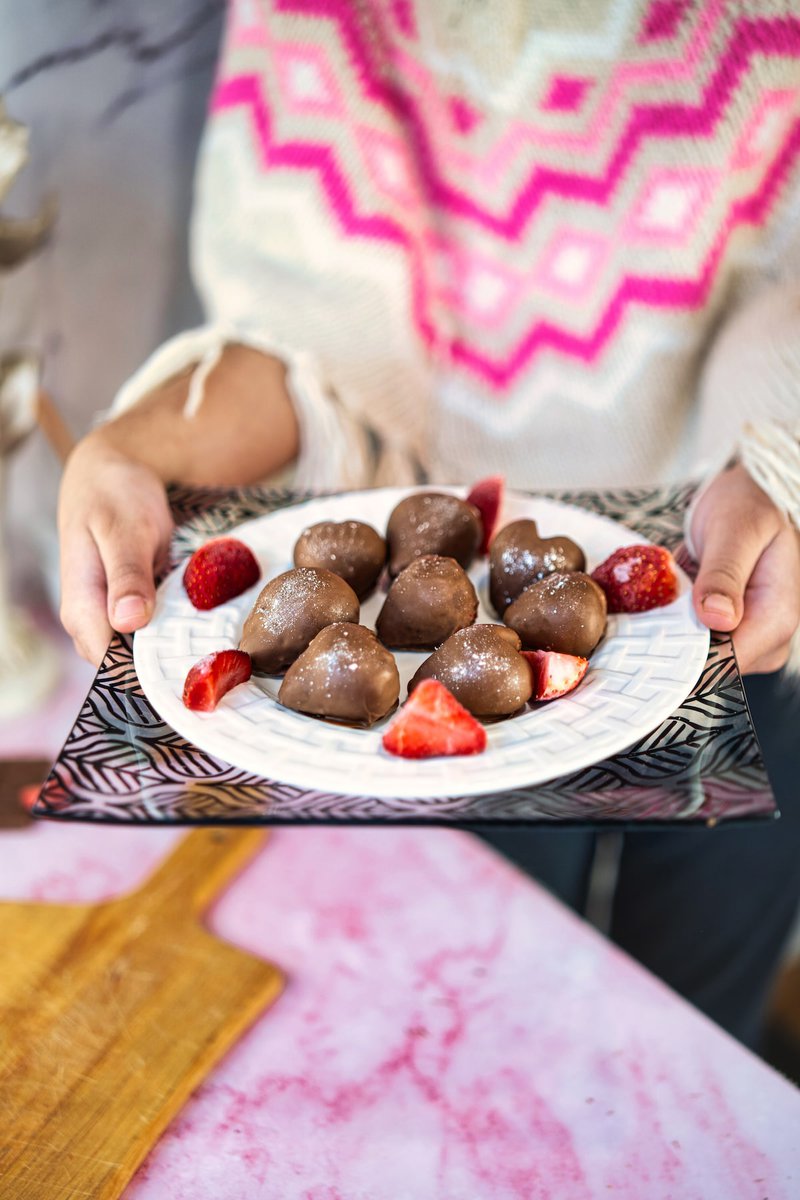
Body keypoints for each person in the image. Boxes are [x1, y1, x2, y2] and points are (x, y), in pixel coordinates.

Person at [59, 1, 800, 1048]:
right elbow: (308, 340)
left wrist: (779, 456)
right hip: (439, 658)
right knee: (482, 1014)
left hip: (747, 579)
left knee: (693, 1038)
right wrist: (138, 446)